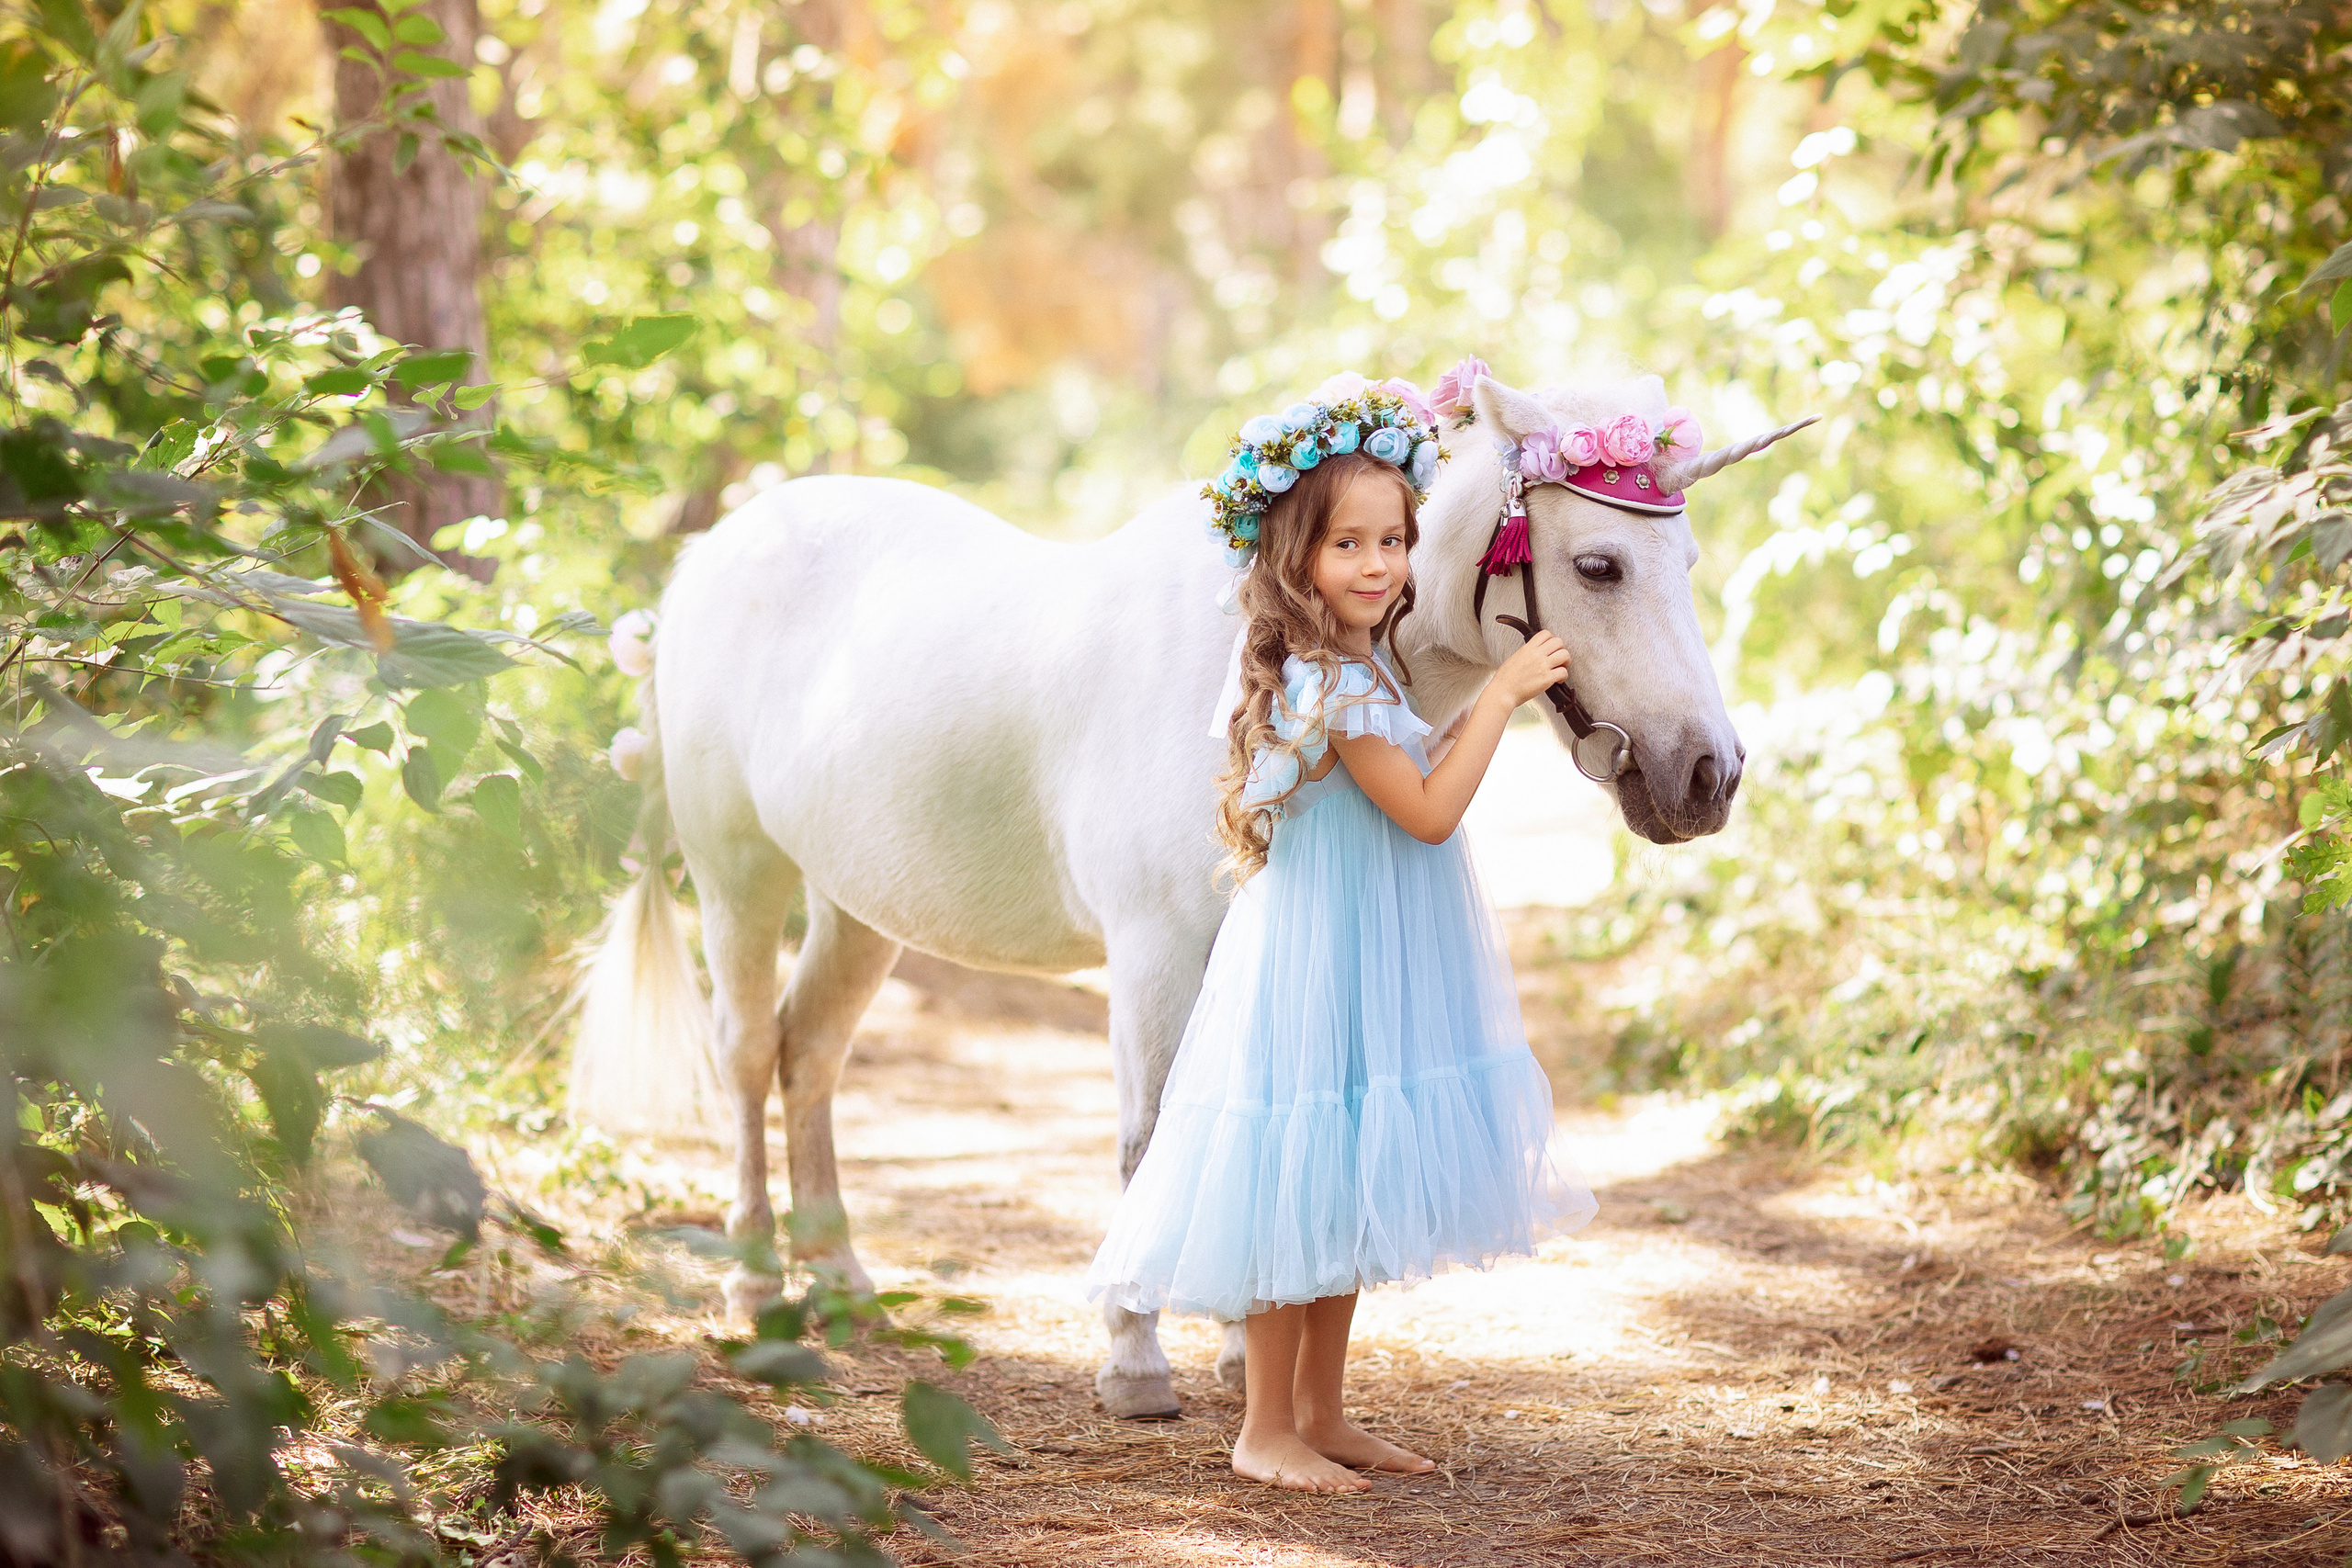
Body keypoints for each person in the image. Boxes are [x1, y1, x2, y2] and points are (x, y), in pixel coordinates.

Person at [1085, 373, 1597, 1494]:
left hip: (1355, 952)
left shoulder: (1354, 666)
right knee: (1298, 1180)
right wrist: (1502, 696)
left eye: (1395, 542)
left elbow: (1405, 774)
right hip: (1318, 960)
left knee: (1344, 1171)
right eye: (1347, 546)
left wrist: (1469, 708)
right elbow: (1423, 813)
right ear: (1291, 560)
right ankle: (1264, 1424)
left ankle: (1321, 1409)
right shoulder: (1332, 682)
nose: (1377, 566)